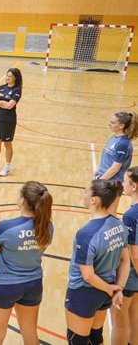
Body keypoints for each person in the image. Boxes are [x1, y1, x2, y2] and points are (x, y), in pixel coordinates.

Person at [0, 181, 54, 345]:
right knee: (30, 336)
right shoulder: (47, 226)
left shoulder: (6, 227)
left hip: (4, 285)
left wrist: (3, 249)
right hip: (33, 284)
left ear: (23, 200)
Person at [65, 179, 130, 345]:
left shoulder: (86, 234)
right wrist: (117, 290)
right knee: (95, 337)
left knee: (77, 340)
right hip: (105, 293)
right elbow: (125, 261)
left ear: (93, 200)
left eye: (86, 191)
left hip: (84, 293)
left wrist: (111, 289)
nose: (83, 194)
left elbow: (87, 276)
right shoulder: (119, 225)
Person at [113, 167, 138, 345]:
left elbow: (134, 252)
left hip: (131, 276)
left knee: (120, 324)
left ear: (134, 186)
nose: (122, 184)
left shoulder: (131, 215)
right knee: (135, 318)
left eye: (125, 181)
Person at [94, 112, 138, 181]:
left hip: (111, 182)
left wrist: (100, 181)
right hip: (103, 177)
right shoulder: (114, 137)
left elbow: (115, 169)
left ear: (121, 126)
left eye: (112, 122)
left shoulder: (123, 144)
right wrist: (98, 171)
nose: (109, 124)